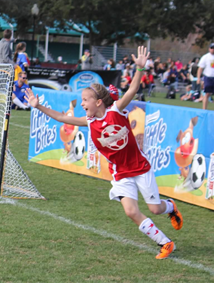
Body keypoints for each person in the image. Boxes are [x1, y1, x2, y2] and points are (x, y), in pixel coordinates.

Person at [24, 46, 183, 260]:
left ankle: (171, 207)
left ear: (98, 102)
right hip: (120, 173)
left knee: (155, 208)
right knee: (131, 211)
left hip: (140, 167)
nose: (82, 104)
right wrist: (38, 106)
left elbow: (132, 90)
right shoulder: (88, 121)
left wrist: (139, 69)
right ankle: (165, 243)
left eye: (85, 100)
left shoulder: (115, 110)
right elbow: (62, 118)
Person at [196, 43, 214, 112]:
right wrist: (198, 78)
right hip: (208, 77)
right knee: (207, 94)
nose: (212, 49)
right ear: (209, 48)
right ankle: (204, 109)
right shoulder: (205, 57)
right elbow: (200, 68)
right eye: (211, 48)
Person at [0, 29, 16, 105]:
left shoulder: (1, 41)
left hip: (0, 65)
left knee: (0, 84)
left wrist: (13, 40)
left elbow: (8, 41)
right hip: (3, 67)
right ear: (10, 35)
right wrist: (14, 64)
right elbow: (5, 58)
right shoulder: (6, 44)